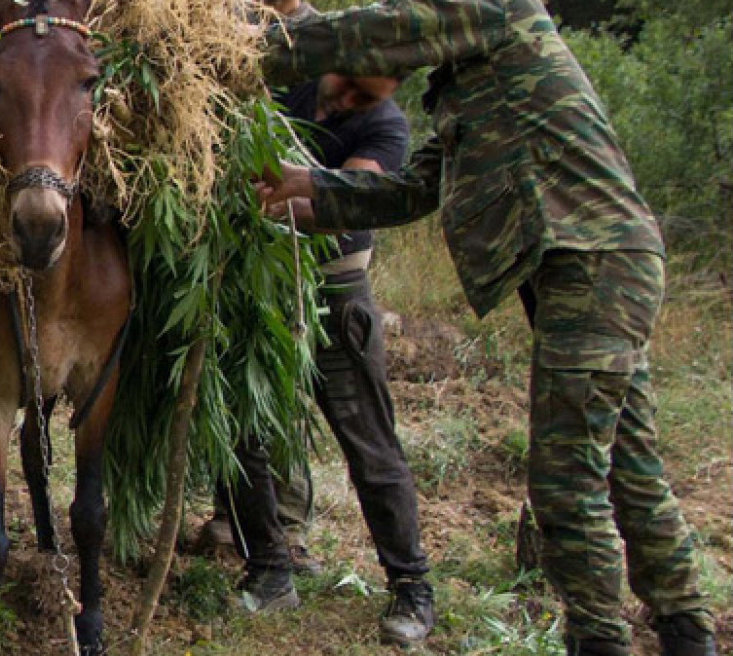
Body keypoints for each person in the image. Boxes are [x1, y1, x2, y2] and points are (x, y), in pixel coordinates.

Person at [253, 2, 716, 655]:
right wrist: (310, 187)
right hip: (597, 263)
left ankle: (599, 640)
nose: (357, 87)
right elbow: (413, 190)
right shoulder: (473, 78)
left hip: (593, 262)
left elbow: (375, 30)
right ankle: (687, 631)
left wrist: (243, 46)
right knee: (628, 468)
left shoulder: (494, 9)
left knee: (566, 479)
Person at [210, 0, 438, 645]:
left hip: (336, 297)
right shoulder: (293, 74)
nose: (344, 103)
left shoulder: (387, 129)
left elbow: (343, 203)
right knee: (245, 432)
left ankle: (411, 587)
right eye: (347, 85)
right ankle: (269, 572)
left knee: (367, 439)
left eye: (363, 98)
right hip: (257, 292)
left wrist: (281, 201)